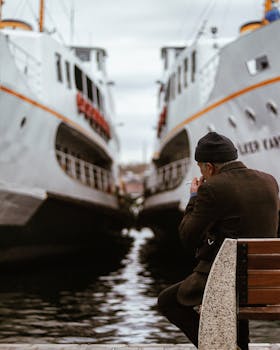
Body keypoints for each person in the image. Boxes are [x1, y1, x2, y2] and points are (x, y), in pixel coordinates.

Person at [158, 132, 279, 350]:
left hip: (224, 279)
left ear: (209, 167)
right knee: (235, 299)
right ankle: (238, 346)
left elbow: (187, 236)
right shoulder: (269, 181)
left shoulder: (212, 189)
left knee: (168, 301)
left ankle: (220, 346)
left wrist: (194, 198)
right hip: (262, 281)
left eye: (200, 167)